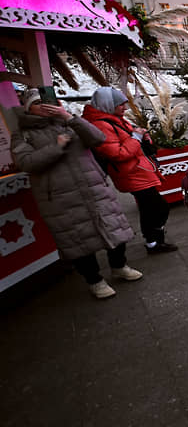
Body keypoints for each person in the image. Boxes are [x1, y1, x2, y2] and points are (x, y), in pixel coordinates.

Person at [11, 88, 140, 299]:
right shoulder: (22, 134)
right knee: (79, 241)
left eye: (48, 101)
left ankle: (119, 266)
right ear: (28, 108)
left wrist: (70, 118)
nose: (45, 106)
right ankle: (94, 281)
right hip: (59, 197)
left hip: (94, 187)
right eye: (38, 103)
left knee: (115, 229)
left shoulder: (69, 122)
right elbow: (26, 163)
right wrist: (57, 146)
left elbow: (98, 138)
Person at [83, 87, 177, 254]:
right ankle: (154, 239)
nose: (125, 108)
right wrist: (136, 138)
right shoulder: (101, 125)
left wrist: (140, 135)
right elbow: (117, 153)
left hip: (139, 170)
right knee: (160, 208)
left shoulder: (114, 119)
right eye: (120, 105)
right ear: (108, 105)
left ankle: (153, 243)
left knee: (148, 209)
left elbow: (126, 138)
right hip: (131, 173)